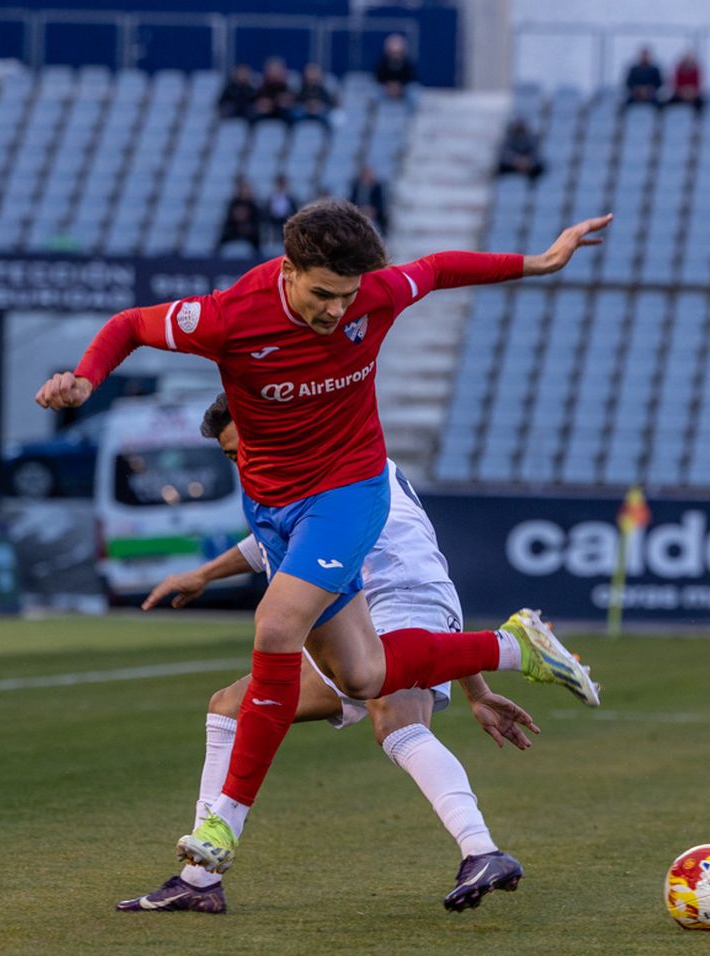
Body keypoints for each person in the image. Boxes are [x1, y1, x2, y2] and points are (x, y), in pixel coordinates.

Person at [34, 200, 610, 879]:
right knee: (362, 676)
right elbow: (132, 324)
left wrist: (537, 262)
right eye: (322, 294)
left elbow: (440, 269)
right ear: (288, 269)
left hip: (349, 490)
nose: (338, 310)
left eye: (346, 296)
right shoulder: (228, 316)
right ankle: (516, 647)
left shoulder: (375, 295)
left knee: (276, 624)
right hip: (278, 508)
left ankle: (223, 827)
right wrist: (86, 377)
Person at [118, 396, 539, 914]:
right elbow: (277, 543)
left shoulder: (330, 462)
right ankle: (199, 877)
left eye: (244, 449)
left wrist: (475, 684)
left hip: (399, 593)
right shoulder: (296, 474)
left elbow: (388, 559)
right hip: (357, 605)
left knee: (395, 717)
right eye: (231, 458)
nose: (243, 464)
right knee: (230, 706)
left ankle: (482, 849)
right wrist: (204, 575)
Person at [218, 177, 264, 256]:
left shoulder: (253, 205)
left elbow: (257, 219)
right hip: (234, 230)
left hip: (250, 232)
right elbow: (229, 219)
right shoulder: (233, 203)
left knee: (256, 237)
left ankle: (257, 256)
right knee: (223, 236)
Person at [252, 56, 295, 124]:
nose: (274, 74)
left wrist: (284, 103)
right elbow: (257, 104)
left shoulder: (287, 89)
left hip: (283, 119)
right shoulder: (261, 89)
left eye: (277, 70)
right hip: (263, 119)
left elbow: (291, 102)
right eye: (272, 70)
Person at [348, 165, 389, 235]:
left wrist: (372, 210)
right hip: (358, 210)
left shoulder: (377, 187)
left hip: (373, 211)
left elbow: (380, 203)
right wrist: (359, 209)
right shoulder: (356, 186)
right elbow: (351, 201)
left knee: (383, 219)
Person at [374, 34, 416, 100]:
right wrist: (388, 86)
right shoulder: (382, 64)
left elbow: (410, 78)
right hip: (385, 90)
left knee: (413, 91)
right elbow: (378, 78)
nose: (395, 55)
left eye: (398, 52)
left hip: (403, 90)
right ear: (388, 52)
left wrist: (399, 87)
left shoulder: (407, 65)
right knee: (374, 92)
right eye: (393, 52)